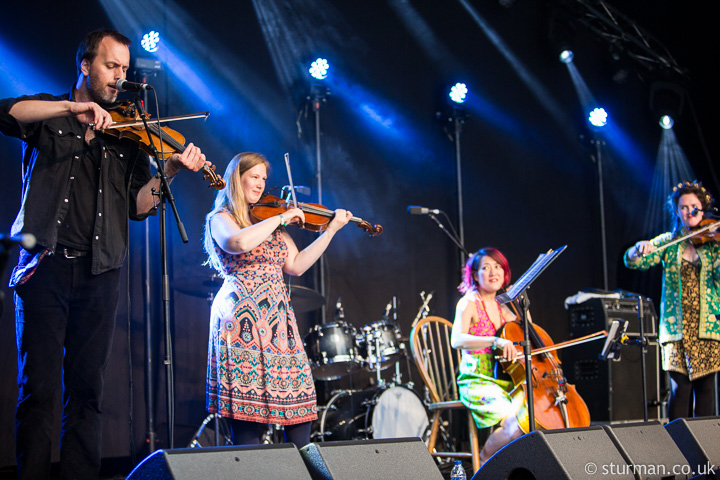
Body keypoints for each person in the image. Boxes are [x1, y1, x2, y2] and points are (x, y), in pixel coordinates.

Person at [0, 29, 207, 479]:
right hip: (44, 269)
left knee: (87, 394)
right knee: (38, 394)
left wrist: (169, 170)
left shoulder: (128, 133)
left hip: (100, 274)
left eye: (125, 69)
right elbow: (6, 111)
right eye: (111, 66)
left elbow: (138, 207)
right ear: (85, 65)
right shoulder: (50, 113)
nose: (120, 77)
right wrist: (74, 107)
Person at [202, 152, 352, 447]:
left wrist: (330, 231)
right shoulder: (222, 218)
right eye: (254, 176)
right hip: (241, 320)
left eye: (264, 179)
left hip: (279, 321)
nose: (260, 184)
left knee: (299, 409)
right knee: (247, 416)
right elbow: (238, 242)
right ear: (237, 177)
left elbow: (295, 265)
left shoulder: (272, 223)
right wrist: (282, 217)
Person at [625, 180, 720, 420]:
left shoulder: (713, 244)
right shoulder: (669, 241)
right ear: (677, 211)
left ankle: (706, 451)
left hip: (707, 328)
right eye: (684, 207)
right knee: (680, 390)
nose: (689, 211)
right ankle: (677, 448)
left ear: (703, 208)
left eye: (694, 206)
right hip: (675, 329)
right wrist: (639, 248)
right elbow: (634, 261)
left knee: (706, 391)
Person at [450, 247, 522, 465]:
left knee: (531, 419)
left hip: (504, 380)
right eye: (486, 267)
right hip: (476, 382)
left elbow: (523, 329)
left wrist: (519, 303)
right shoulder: (469, 302)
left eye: (498, 266)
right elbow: (456, 340)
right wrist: (494, 340)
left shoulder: (503, 308)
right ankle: (485, 461)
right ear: (474, 275)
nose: (493, 272)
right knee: (515, 424)